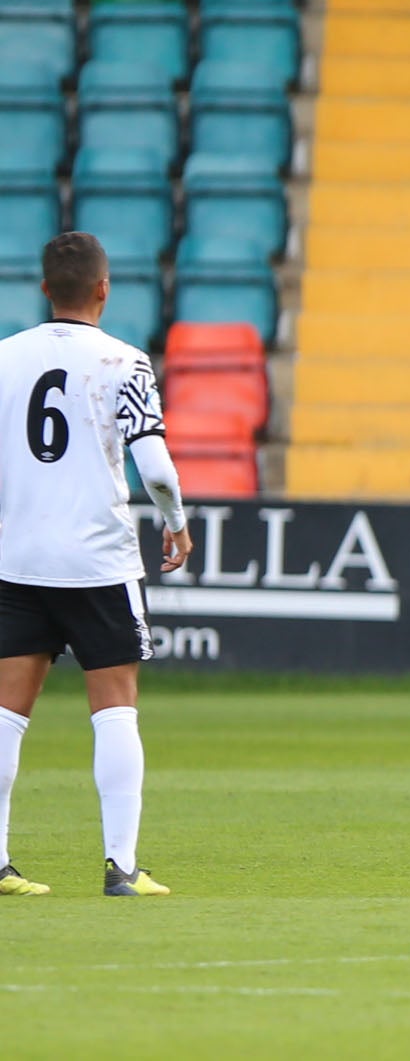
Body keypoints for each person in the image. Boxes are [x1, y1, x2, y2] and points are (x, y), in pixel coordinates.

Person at [0, 233, 191, 897]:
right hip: (97, 562)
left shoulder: (3, 359)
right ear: (105, 290)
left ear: (45, 288)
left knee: (5, 712)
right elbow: (157, 468)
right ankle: (121, 866)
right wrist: (175, 521)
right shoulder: (125, 362)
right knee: (115, 707)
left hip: (18, 559)